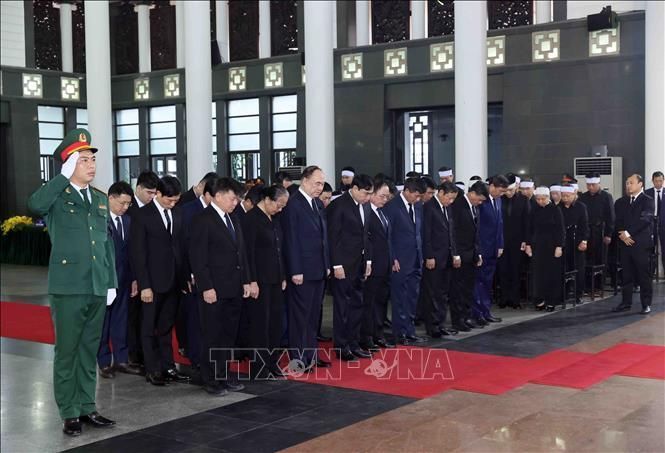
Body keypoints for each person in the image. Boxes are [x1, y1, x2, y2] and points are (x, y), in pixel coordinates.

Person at [28, 128, 117, 436]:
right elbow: (34, 205)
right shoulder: (56, 196)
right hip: (68, 287)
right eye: (83, 160)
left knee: (89, 350)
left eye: (92, 159)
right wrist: (61, 178)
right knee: (67, 351)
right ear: (68, 164)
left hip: (96, 285)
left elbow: (106, 244)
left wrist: (111, 281)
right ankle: (69, 411)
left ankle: (87, 406)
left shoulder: (99, 198)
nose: (91, 165)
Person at [189, 177, 251, 394]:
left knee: (228, 335)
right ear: (218, 196)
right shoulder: (202, 219)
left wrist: (246, 280)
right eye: (232, 199)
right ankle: (210, 378)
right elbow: (198, 258)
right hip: (213, 289)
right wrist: (206, 287)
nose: (236, 203)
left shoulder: (233, 218)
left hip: (234, 287)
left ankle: (223, 374)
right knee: (212, 335)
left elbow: (241, 253)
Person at [130, 175, 190, 386]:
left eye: (176, 200)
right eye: (169, 200)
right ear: (158, 194)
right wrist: (144, 285)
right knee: (148, 327)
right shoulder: (142, 215)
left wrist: (186, 276)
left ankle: (168, 367)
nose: (172, 204)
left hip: (174, 281)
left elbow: (182, 247)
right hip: (152, 283)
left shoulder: (178, 213)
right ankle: (152, 369)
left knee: (166, 326)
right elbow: (138, 253)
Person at [282, 166, 331, 369]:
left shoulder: (317, 204)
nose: (320, 187)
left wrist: (327, 264)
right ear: (304, 181)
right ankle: (299, 358)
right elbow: (291, 239)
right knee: (300, 317)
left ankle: (311, 355)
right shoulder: (293, 204)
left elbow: (323, 237)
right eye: (316, 183)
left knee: (313, 316)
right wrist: (295, 270)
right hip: (302, 271)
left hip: (318, 269)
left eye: (322, 184)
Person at [244, 185, 290, 379]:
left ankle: (272, 362)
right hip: (259, 281)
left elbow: (280, 249)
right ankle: (259, 367)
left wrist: (283, 275)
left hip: (275, 279)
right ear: (268, 200)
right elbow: (248, 254)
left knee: (275, 324)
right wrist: (251, 280)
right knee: (260, 325)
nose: (280, 209)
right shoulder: (251, 219)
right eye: (279, 205)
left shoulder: (275, 218)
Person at [97, 181, 142, 379]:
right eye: (122, 203)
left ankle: (122, 359)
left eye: (128, 204)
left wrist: (134, 279)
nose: (125, 207)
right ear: (111, 198)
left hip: (124, 280)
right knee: (104, 322)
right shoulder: (99, 220)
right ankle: (104, 361)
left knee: (121, 320)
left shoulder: (128, 221)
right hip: (106, 280)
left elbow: (131, 253)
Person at [327, 174, 374, 360]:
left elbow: (366, 235)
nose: (368, 197)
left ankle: (354, 343)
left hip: (360, 264)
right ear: (354, 188)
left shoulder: (365, 206)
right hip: (343, 265)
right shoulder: (338, 205)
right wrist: (336, 264)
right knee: (342, 307)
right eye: (365, 193)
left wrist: (368, 261)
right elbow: (333, 237)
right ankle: (341, 346)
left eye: (370, 194)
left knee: (357, 305)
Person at [179, 172, 219, 377]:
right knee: (195, 318)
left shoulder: (222, 213)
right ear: (208, 194)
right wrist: (188, 273)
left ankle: (211, 359)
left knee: (213, 322)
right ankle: (196, 357)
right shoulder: (188, 210)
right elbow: (184, 244)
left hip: (217, 275)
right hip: (194, 275)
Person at [382, 177, 427, 344]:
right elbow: (388, 236)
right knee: (399, 298)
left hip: (416, 259)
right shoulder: (392, 207)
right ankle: (399, 333)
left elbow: (419, 233)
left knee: (412, 297)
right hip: (399, 261)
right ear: (407, 191)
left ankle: (410, 331)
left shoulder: (418, 206)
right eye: (416, 195)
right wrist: (392, 257)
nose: (418, 199)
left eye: (420, 196)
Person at [125, 170, 159, 367]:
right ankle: (133, 353)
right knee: (133, 315)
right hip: (131, 272)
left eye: (155, 193)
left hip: (149, 274)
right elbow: (131, 248)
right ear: (138, 188)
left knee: (146, 317)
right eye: (149, 192)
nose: (152, 197)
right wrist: (135, 277)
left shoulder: (153, 211)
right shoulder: (129, 210)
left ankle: (144, 351)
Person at [612, 174, 655, 314]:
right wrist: (622, 234)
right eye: (627, 183)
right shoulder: (621, 202)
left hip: (641, 244)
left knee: (643, 275)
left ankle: (646, 304)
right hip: (625, 243)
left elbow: (645, 220)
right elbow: (617, 221)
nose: (628, 185)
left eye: (631, 182)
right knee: (626, 275)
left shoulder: (648, 200)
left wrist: (628, 233)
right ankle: (626, 302)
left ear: (640, 184)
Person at [422, 181, 460, 337]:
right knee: (432, 293)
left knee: (443, 294)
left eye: (453, 199)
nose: (451, 201)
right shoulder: (429, 207)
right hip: (434, 258)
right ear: (441, 192)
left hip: (447, 258)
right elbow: (426, 234)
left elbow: (451, 232)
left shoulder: (447, 208)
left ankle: (441, 323)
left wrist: (455, 254)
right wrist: (429, 255)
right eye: (449, 198)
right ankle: (432, 326)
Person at [360, 178, 395, 349]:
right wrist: (368, 262)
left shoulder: (383, 212)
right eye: (382, 196)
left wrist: (392, 259)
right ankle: (367, 337)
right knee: (369, 303)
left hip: (385, 266)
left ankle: (378, 334)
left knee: (381, 302)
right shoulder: (366, 212)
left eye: (387, 197)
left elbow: (387, 240)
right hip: (372, 267)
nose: (385, 199)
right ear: (372, 194)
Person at [449, 181, 488, 331]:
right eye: (479, 199)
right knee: (457, 290)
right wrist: (455, 254)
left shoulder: (475, 207)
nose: (480, 203)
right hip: (460, 255)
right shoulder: (457, 205)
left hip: (472, 255)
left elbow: (476, 233)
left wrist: (478, 253)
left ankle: (466, 317)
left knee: (468, 289)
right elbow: (453, 232)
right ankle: (457, 320)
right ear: (472, 193)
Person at [473, 175, 508, 325]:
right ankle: (477, 313)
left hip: (494, 248)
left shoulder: (498, 200)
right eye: (500, 191)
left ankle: (486, 311)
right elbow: (476, 227)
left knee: (488, 282)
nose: (501, 194)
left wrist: (500, 244)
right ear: (492, 186)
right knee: (478, 282)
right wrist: (478, 250)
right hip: (482, 248)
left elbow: (500, 223)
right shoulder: (482, 200)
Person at [525, 187, 565, 312]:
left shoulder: (555, 209)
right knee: (538, 274)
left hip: (552, 246)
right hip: (537, 246)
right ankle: (539, 299)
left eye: (543, 199)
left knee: (551, 274)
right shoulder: (533, 210)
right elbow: (529, 228)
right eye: (538, 199)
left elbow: (560, 229)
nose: (540, 201)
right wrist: (528, 244)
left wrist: (559, 246)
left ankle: (551, 301)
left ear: (548, 198)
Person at [579, 172, 616, 289]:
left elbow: (611, 217)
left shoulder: (606, 196)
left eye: (593, 185)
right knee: (587, 259)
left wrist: (608, 234)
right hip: (586, 231)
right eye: (588, 185)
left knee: (600, 258)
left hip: (600, 231)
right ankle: (587, 285)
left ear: (598, 184)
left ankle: (599, 284)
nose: (590, 187)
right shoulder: (583, 197)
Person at [498, 174, 530, 309]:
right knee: (503, 270)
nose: (509, 193)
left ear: (516, 187)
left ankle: (515, 299)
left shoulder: (523, 200)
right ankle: (504, 298)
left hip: (518, 241)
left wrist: (525, 240)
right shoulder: (499, 199)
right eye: (506, 190)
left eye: (511, 190)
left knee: (516, 270)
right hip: (502, 241)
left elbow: (527, 222)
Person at [559, 184, 589, 304]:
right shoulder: (558, 207)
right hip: (563, 241)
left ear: (573, 195)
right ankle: (564, 293)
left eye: (568, 196)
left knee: (578, 268)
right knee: (564, 267)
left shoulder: (581, 207)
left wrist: (584, 240)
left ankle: (578, 294)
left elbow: (584, 225)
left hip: (577, 241)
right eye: (563, 196)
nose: (565, 198)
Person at [645, 171, 664, 272]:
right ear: (653, 181)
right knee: (650, 250)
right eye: (656, 181)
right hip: (651, 225)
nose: (658, 183)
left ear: (663, 180)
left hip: (663, 224)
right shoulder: (646, 193)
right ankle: (650, 273)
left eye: (660, 181)